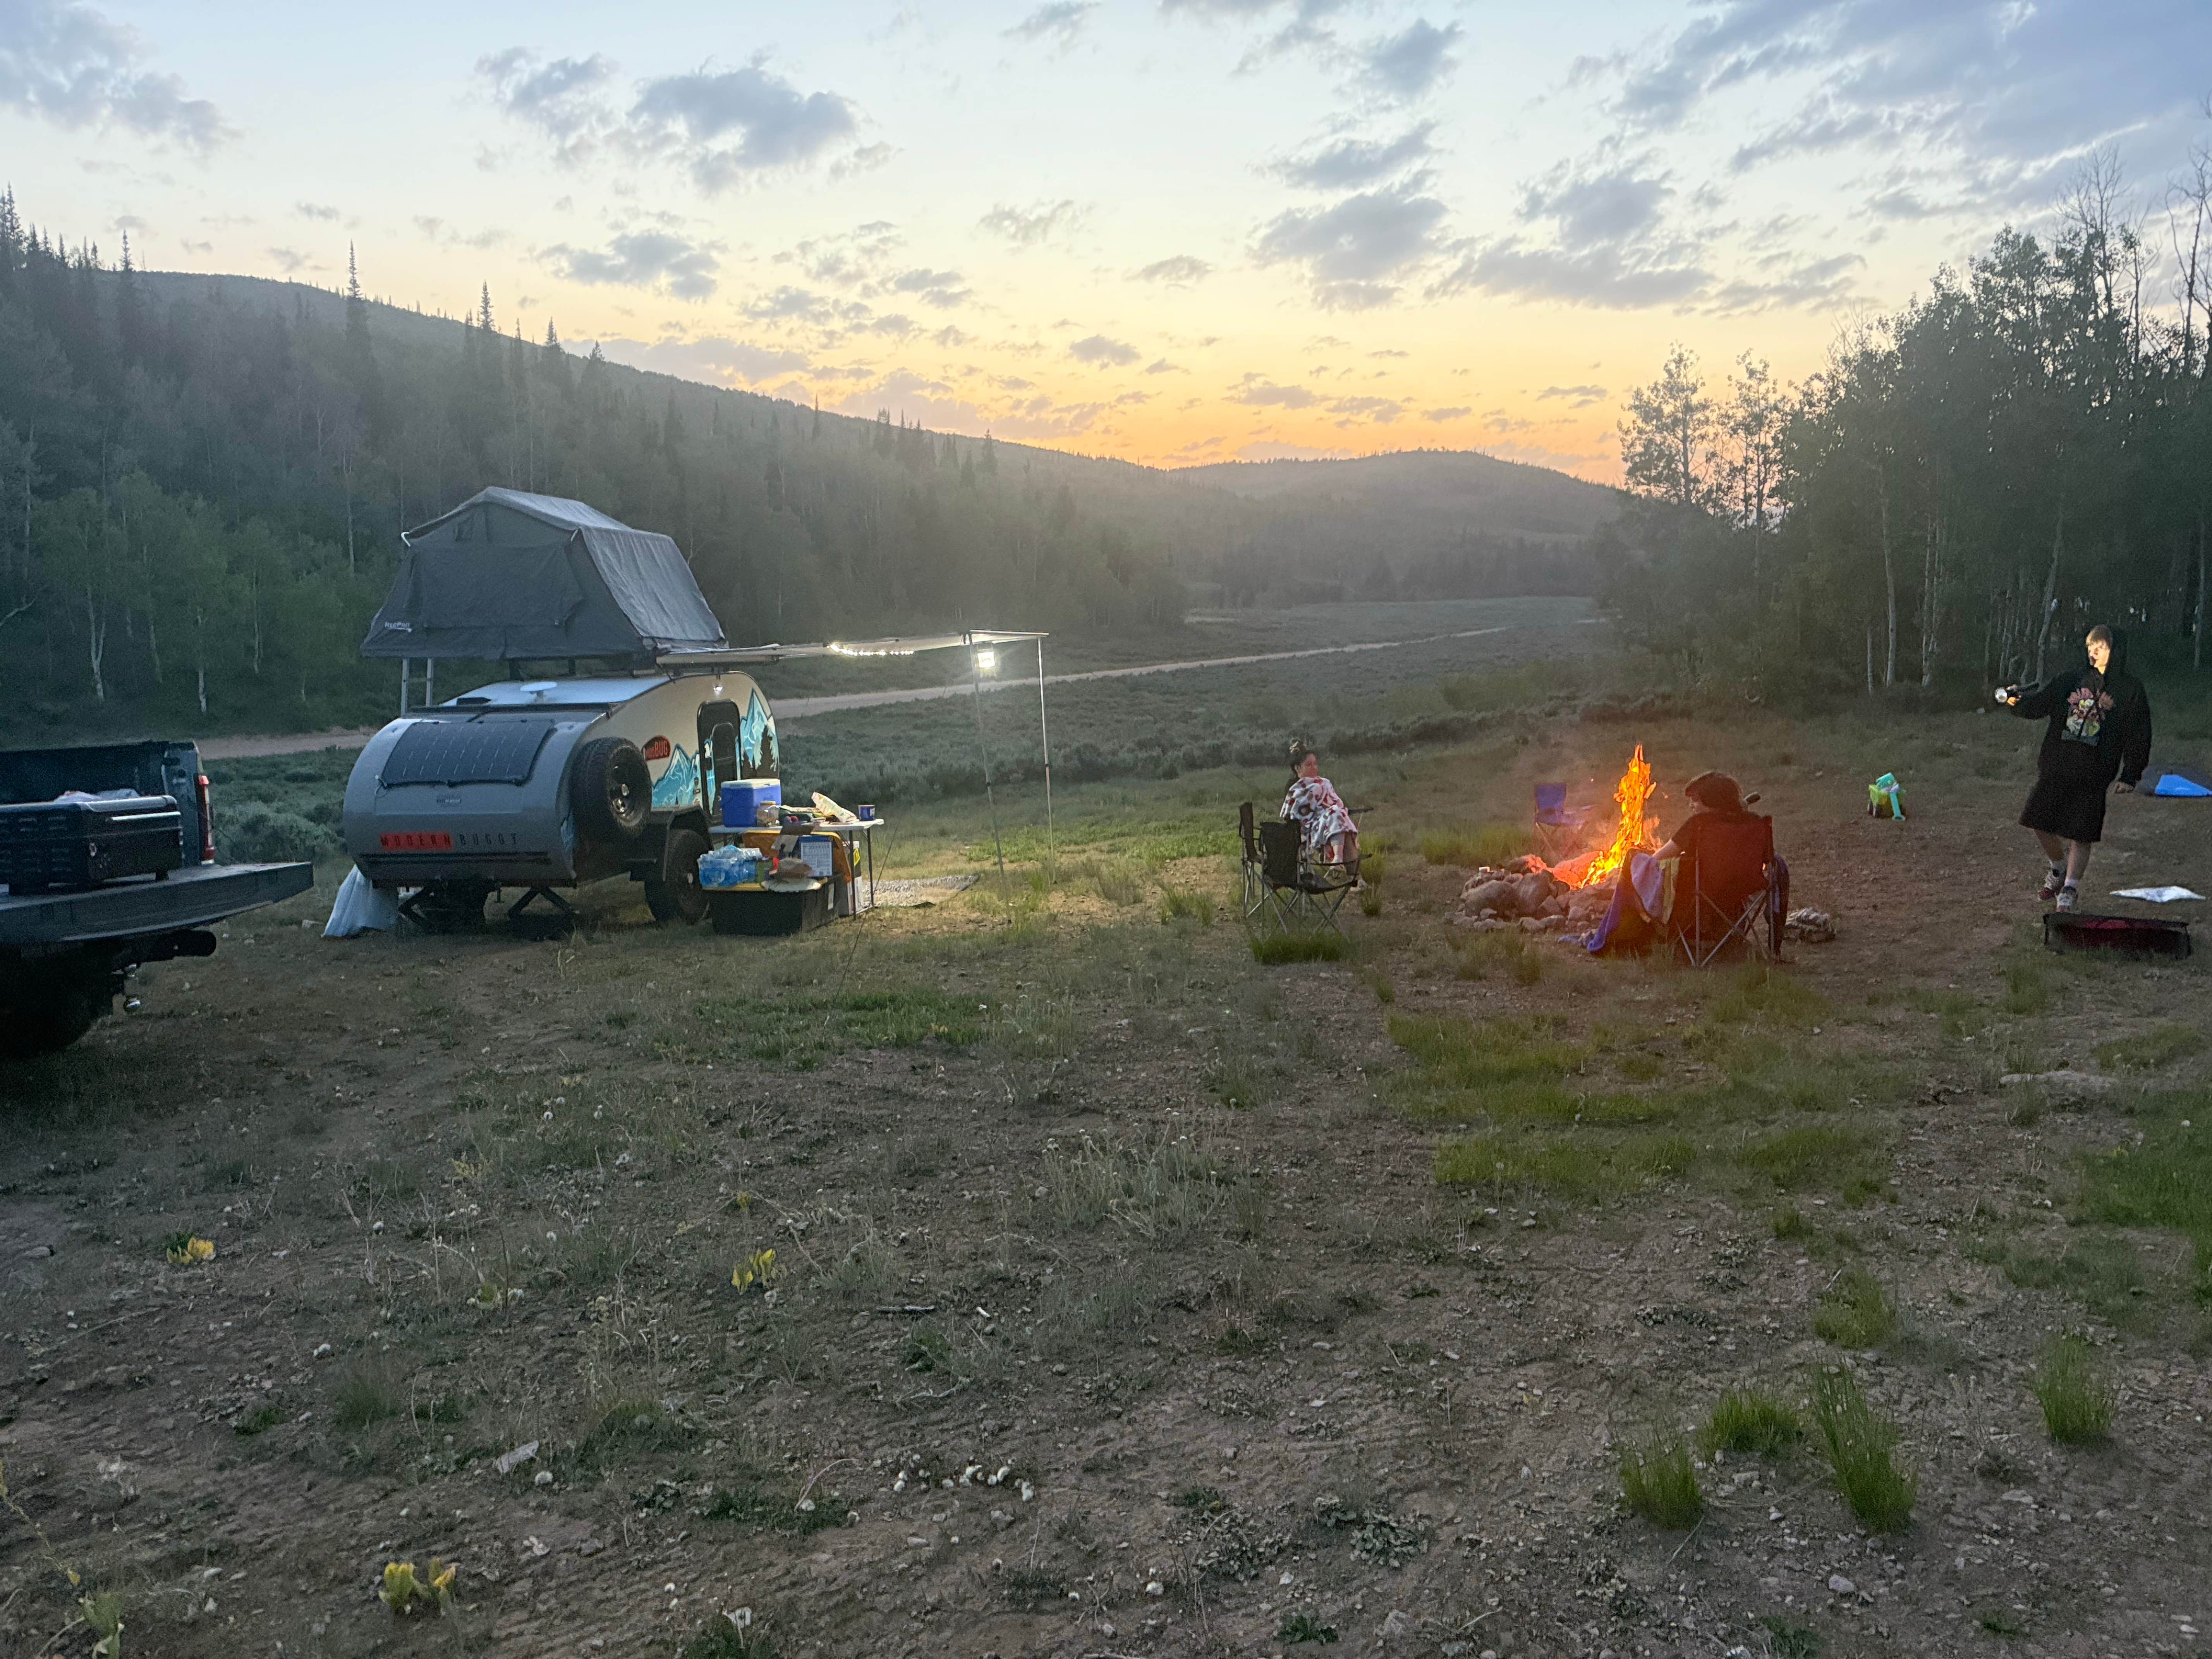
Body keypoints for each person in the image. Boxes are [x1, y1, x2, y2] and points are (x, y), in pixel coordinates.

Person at [1999, 625, 2152, 913]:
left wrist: (2131, 774)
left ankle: (2070, 888)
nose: (2094, 652)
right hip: (2058, 765)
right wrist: (2015, 701)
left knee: (2081, 833)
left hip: (2095, 773)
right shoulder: (2069, 680)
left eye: (2101, 647)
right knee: (2038, 821)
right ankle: (2058, 868)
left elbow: (2139, 733)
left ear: (2115, 651)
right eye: (2091, 646)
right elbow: (2039, 705)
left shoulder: (2130, 690)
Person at [1280, 742, 1359, 865]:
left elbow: (1336, 802)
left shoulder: (1324, 782)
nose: (1314, 768)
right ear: (1297, 768)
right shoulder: (1295, 787)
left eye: (1315, 764)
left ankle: (1345, 867)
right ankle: (1350, 871)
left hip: (1331, 819)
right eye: (1309, 765)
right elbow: (1295, 813)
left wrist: (1335, 810)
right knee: (1339, 821)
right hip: (1309, 827)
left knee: (1340, 820)